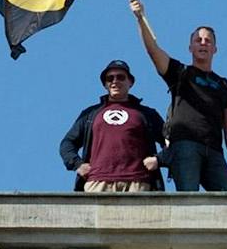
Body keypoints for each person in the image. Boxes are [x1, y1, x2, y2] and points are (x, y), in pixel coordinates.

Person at [129, 0, 227, 192]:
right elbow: (153, 51)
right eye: (198, 40)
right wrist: (140, 18)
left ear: (215, 49)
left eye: (208, 41)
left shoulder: (224, 85)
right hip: (185, 146)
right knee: (188, 201)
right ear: (190, 47)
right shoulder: (180, 72)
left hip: (215, 151)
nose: (203, 43)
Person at [58, 60, 166, 192]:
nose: (115, 81)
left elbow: (171, 141)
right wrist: (77, 165)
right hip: (98, 182)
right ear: (105, 84)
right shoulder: (90, 114)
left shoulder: (147, 114)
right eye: (110, 78)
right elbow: (67, 143)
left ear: (130, 82)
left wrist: (158, 160)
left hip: (138, 183)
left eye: (121, 77)